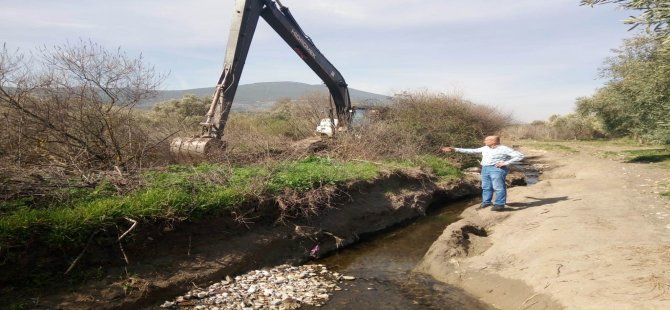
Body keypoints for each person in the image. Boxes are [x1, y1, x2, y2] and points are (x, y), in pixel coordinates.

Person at [441, 136, 524, 211]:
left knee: (498, 187)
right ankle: (486, 202)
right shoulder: (485, 148)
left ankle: (499, 204)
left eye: (486, 140)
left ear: (493, 141)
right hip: (485, 168)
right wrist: (455, 149)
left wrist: (505, 163)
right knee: (486, 187)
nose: (484, 141)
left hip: (497, 169)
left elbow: (520, 156)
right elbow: (472, 151)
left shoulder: (504, 149)